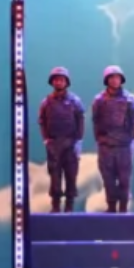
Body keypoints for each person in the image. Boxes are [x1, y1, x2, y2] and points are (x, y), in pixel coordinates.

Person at [92, 66, 134, 213]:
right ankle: (111, 207)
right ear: (106, 80)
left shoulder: (130, 100)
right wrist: (100, 141)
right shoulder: (99, 100)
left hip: (124, 146)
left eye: (117, 77)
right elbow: (96, 122)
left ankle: (123, 208)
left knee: (124, 179)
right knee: (108, 179)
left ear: (121, 79)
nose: (114, 80)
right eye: (111, 77)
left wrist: (132, 141)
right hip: (106, 146)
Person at [39, 67, 86, 213]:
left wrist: (78, 140)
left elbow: (80, 120)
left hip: (71, 144)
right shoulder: (46, 102)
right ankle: (55, 205)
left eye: (61, 79)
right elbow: (42, 121)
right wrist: (46, 139)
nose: (59, 82)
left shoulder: (75, 101)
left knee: (71, 175)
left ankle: (69, 206)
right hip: (54, 144)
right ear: (52, 82)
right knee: (55, 176)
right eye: (56, 80)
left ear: (66, 82)